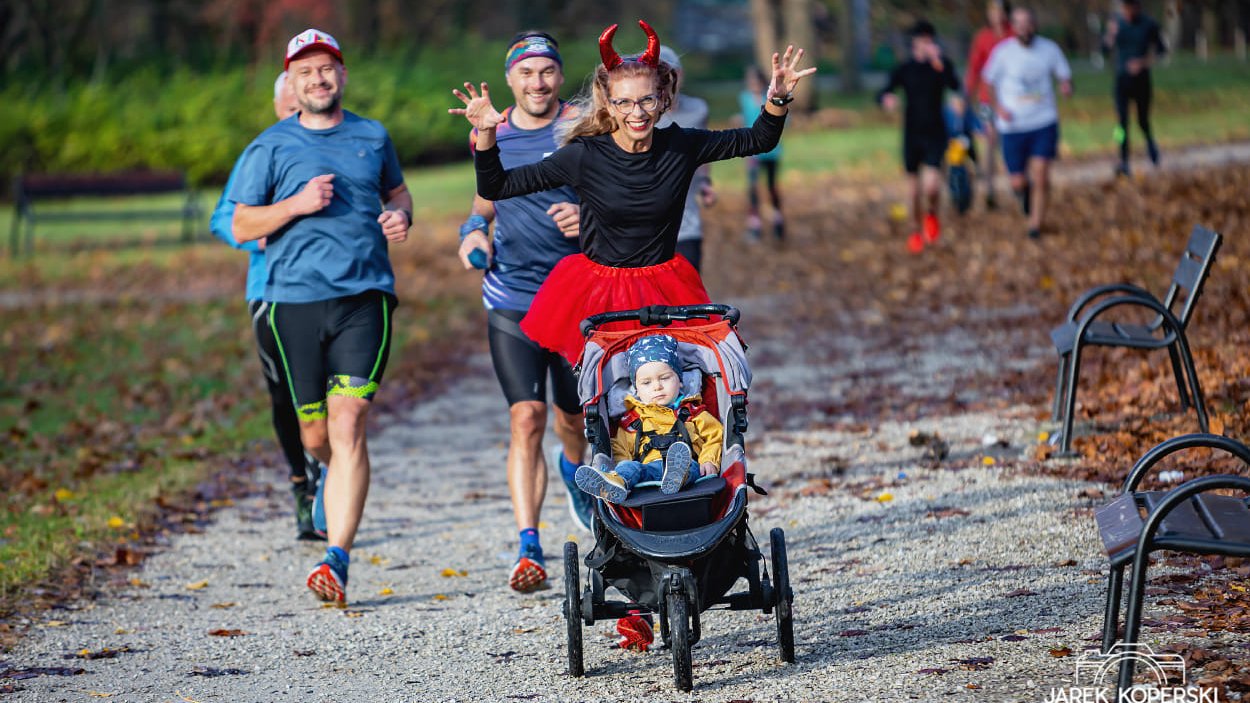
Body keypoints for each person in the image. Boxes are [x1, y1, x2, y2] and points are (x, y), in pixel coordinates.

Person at [451, 20, 815, 365]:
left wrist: (777, 100)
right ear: (609, 104)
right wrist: (486, 135)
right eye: (624, 102)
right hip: (598, 290)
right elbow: (497, 186)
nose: (636, 112)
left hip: (665, 285)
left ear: (662, 100)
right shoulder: (584, 155)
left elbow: (758, 139)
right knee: (608, 400)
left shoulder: (681, 146)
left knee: (680, 389)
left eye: (646, 101)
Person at [229, 29, 413, 603]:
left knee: (349, 423)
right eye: (306, 71)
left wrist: (400, 219)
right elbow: (239, 226)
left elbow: (399, 194)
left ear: (342, 75)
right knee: (316, 433)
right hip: (293, 304)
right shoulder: (269, 147)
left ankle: (337, 558)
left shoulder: (372, 136)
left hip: (365, 298)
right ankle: (332, 482)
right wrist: (294, 205)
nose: (318, 79)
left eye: (327, 68)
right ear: (293, 81)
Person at [456, 30, 591, 593]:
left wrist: (588, 218)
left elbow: (621, 194)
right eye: (526, 73)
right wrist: (470, 235)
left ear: (560, 76)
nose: (538, 83)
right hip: (511, 296)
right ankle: (528, 545)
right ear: (510, 79)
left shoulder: (586, 126)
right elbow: (482, 204)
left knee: (572, 419)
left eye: (547, 72)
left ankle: (573, 466)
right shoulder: (493, 132)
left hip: (575, 295)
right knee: (525, 417)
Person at [209, 73, 325, 541]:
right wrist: (263, 234)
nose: (291, 114)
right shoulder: (264, 151)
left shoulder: (330, 146)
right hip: (270, 291)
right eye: (284, 106)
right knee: (286, 396)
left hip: (331, 291)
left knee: (336, 395)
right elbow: (223, 218)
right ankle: (302, 484)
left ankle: (329, 476)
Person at [574, 334, 722, 504]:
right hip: (647, 471)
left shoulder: (693, 412)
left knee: (690, 466)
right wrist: (621, 466)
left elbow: (715, 435)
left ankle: (678, 476)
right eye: (646, 383)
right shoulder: (633, 420)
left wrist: (709, 459)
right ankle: (617, 483)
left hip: (688, 465)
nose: (657, 386)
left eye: (665, 378)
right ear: (636, 390)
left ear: (680, 380)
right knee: (629, 467)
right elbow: (620, 448)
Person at [982, 7, 1072, 240]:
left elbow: (1063, 73)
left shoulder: (1049, 49)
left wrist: (1065, 85)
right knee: (1018, 181)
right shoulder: (1003, 53)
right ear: (1013, 26)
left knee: (1041, 174)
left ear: (1035, 24)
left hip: (1043, 121)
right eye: (1019, 23)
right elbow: (988, 81)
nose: (1025, 28)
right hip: (1012, 126)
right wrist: (998, 107)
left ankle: (1035, 226)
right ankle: (1026, 194)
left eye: (1028, 23)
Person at [877, 20, 963, 254]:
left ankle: (932, 214)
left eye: (930, 40)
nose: (927, 44)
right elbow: (883, 91)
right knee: (914, 192)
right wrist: (887, 99)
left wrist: (939, 62)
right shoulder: (905, 69)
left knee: (932, 187)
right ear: (914, 42)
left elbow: (955, 85)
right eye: (923, 40)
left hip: (935, 132)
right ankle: (915, 230)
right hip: (912, 135)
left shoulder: (941, 66)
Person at [655, 45, 716, 272]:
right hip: (648, 228)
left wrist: (706, 183)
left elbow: (703, 150)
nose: (665, 80)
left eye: (670, 73)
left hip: (687, 222)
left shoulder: (698, 109)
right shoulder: (640, 115)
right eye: (657, 74)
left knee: (689, 297)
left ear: (680, 75)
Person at [1104, 0, 1166, 177]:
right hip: (1121, 82)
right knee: (1121, 123)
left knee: (1142, 120)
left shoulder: (1149, 24)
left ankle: (1150, 143)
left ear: (1138, 7)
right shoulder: (1116, 23)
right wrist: (1110, 35)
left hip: (1142, 82)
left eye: (1132, 7)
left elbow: (1161, 50)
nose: (1128, 11)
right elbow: (1103, 50)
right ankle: (1122, 159)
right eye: (1125, 7)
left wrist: (1143, 63)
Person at [964, 0, 1015, 210]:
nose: (996, 15)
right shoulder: (982, 38)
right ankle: (989, 189)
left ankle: (1017, 184)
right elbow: (974, 68)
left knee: (1011, 142)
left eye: (1000, 11)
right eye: (992, 11)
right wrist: (967, 93)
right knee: (990, 139)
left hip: (1012, 98)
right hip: (987, 98)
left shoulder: (1014, 35)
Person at [738, 66, 784, 242]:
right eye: (750, 81)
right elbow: (746, 119)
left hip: (772, 151)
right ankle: (755, 225)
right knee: (753, 189)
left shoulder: (770, 97)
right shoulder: (744, 98)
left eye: (756, 81)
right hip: (753, 153)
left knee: (772, 187)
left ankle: (778, 221)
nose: (753, 84)